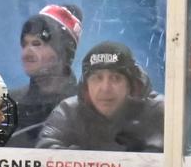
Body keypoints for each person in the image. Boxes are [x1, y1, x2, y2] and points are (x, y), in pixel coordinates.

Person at [37, 41, 165, 152]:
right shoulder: (68, 112)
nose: (105, 88)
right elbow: (44, 151)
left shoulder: (160, 112)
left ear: (130, 86)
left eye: (116, 78)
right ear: (86, 86)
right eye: (97, 78)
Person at [8, 3, 82, 148]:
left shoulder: (86, 107)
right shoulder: (9, 106)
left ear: (62, 52)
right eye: (24, 44)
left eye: (37, 44)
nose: (26, 53)